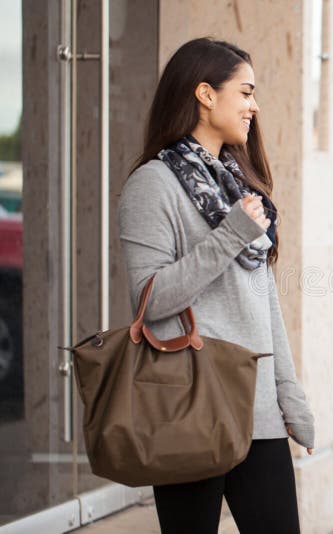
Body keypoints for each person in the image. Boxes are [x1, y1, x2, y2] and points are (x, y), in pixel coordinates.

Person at [118, 38, 314, 534]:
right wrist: (230, 235)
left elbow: (264, 300)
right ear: (205, 94)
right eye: (245, 92)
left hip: (258, 411)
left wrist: (289, 395)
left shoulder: (238, 182)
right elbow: (150, 300)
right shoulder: (152, 184)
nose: (254, 105)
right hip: (190, 405)